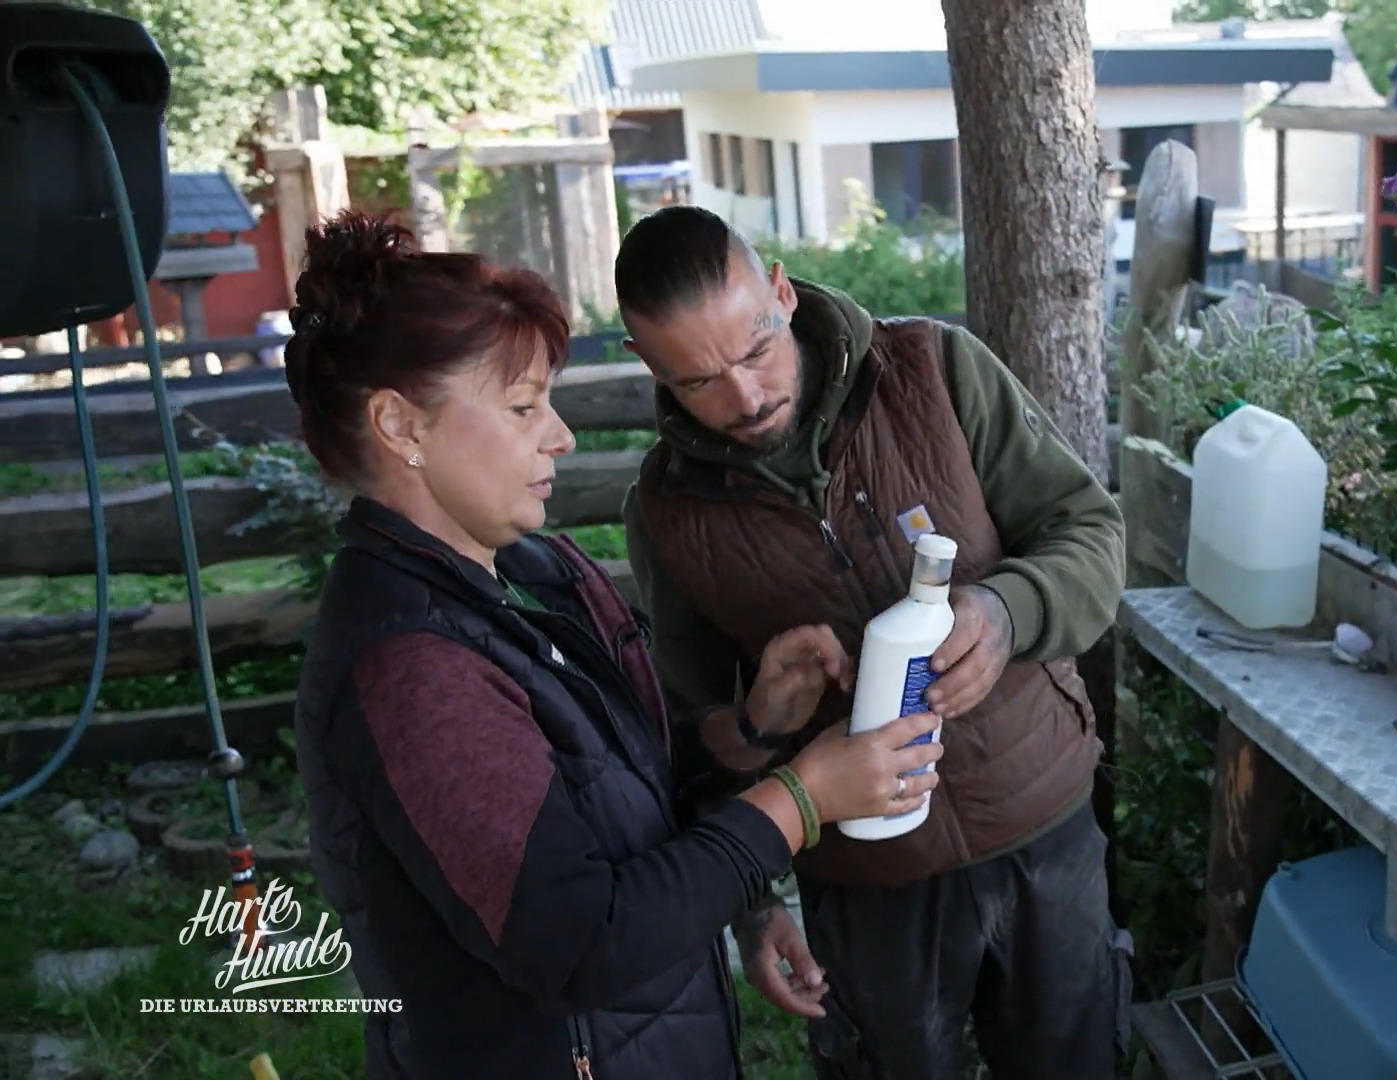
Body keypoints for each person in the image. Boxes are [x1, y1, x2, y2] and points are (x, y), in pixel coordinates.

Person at [286, 210, 944, 1080]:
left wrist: (751, 736)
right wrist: (799, 799)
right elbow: (582, 941)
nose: (558, 434)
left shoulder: (539, 571)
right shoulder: (413, 670)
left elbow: (633, 802)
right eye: (522, 407)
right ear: (401, 427)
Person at [615, 205, 1130, 1079]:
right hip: (866, 882)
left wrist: (1007, 613)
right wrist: (760, 723)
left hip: (1044, 828)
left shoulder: (932, 370)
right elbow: (688, 740)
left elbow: (1090, 529)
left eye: (755, 349)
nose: (745, 398)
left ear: (779, 290)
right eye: (698, 381)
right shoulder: (667, 515)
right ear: (646, 364)